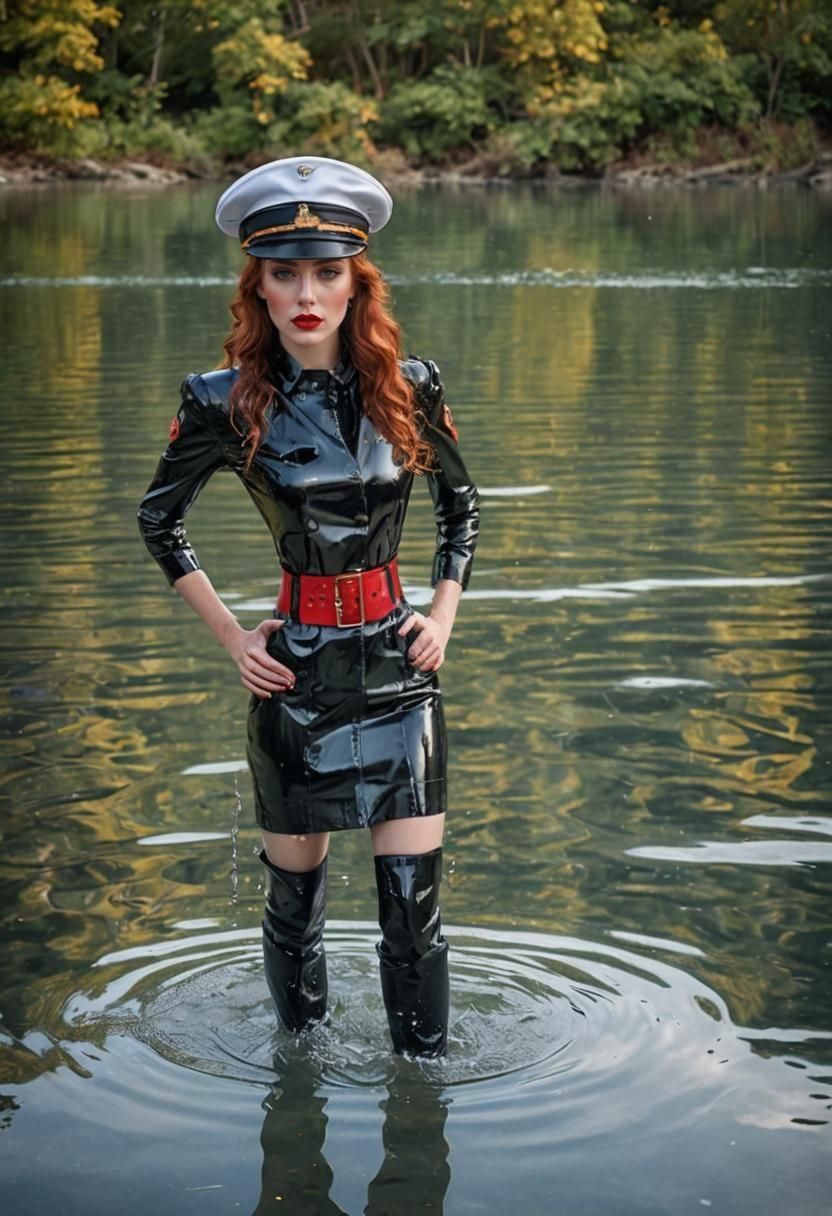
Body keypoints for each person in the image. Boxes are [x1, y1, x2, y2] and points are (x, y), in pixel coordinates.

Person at [137, 156, 480, 1057]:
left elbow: (462, 507)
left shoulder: (409, 383)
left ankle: (422, 1094)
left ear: (356, 282)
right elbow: (159, 520)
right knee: (294, 911)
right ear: (257, 284)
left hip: (402, 673)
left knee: (413, 914)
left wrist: (443, 615)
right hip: (295, 678)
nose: (306, 295)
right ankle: (299, 1088)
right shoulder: (222, 401)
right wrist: (232, 639)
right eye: (284, 274)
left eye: (327, 272)